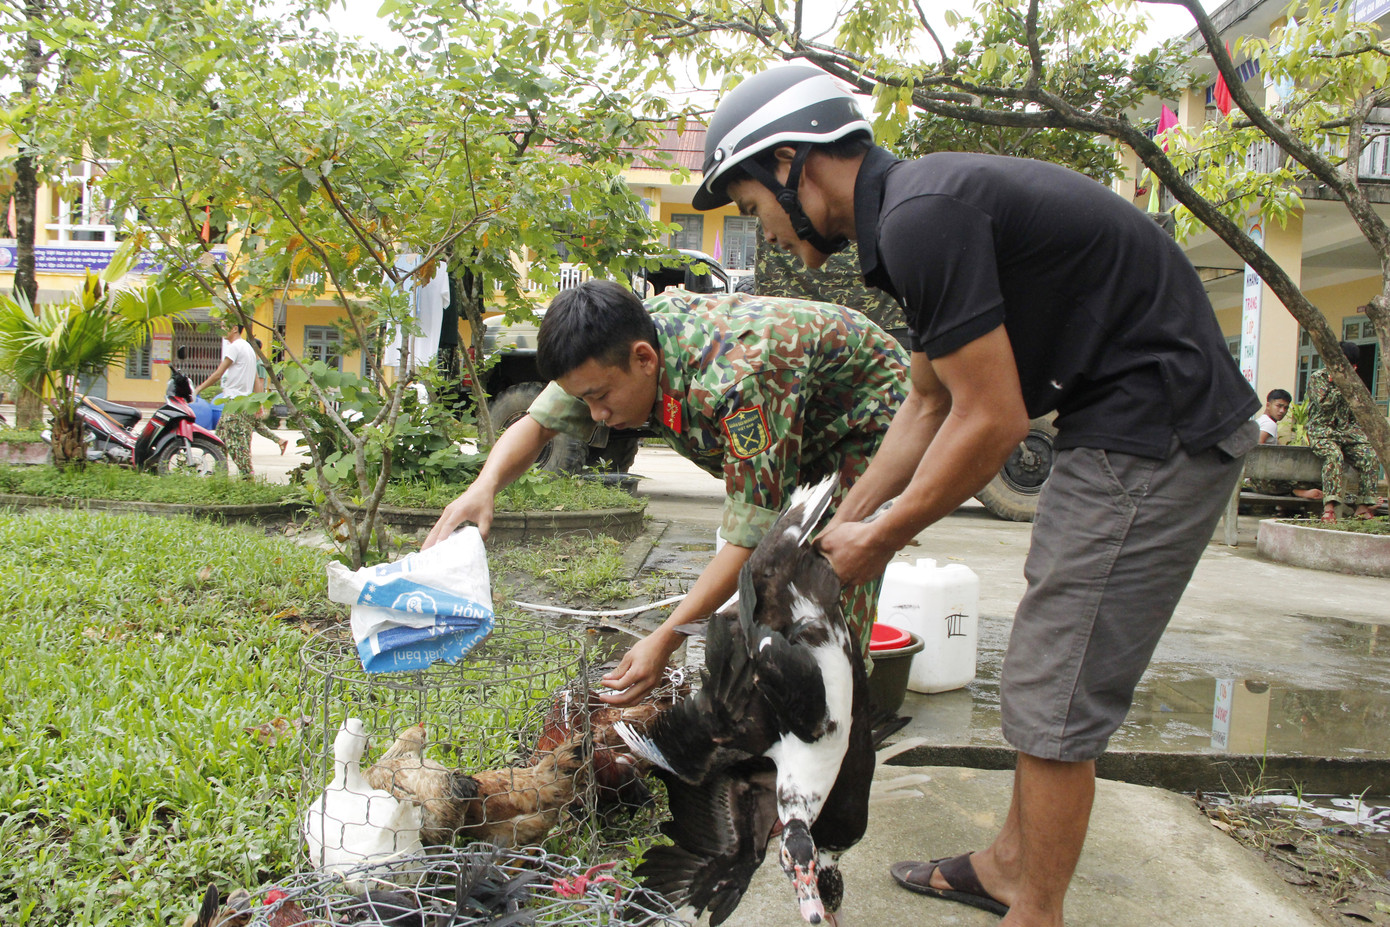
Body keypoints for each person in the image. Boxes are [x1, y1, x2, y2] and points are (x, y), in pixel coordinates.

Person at [691, 64, 1259, 926]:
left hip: (1159, 426)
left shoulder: (920, 219)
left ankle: (1037, 909)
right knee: (1046, 655)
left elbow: (991, 421)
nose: (761, 229)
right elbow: (926, 403)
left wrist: (881, 539)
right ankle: (1006, 867)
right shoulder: (911, 215)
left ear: (790, 163)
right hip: (1120, 417)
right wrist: (841, 524)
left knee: (1057, 683)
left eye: (750, 204)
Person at [423, 279, 909, 703]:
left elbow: (750, 539)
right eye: (584, 400)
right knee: (768, 598)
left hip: (868, 421)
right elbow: (538, 423)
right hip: (798, 418)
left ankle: (841, 716)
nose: (595, 415)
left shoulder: (737, 382)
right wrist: (483, 487)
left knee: (827, 586)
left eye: (600, 398)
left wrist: (664, 638)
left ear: (644, 359)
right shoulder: (612, 343)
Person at [1307, 341, 1380, 522]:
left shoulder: (1355, 383)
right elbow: (1324, 404)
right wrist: (1341, 385)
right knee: (1334, 455)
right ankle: (1329, 508)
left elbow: (1358, 412)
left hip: (1346, 432)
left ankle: (1363, 506)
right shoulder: (1319, 378)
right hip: (1322, 431)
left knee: (1370, 455)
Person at [195, 321, 257, 478]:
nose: (221, 330)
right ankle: (220, 476)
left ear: (235, 329)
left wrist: (198, 389)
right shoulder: (248, 347)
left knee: (237, 446)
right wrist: (258, 402)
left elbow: (218, 374)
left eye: (224, 326)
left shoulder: (235, 347)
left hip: (234, 403)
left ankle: (248, 478)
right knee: (219, 441)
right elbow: (256, 378)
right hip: (243, 402)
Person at [1248, 388, 1322, 501]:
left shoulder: (1260, 421)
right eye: (1279, 406)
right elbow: (1258, 446)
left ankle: (1291, 498)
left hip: (1257, 479)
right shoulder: (1269, 424)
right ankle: (1298, 492)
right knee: (1311, 481)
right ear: (1268, 405)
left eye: (1286, 408)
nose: (1282, 411)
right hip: (1264, 480)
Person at [250, 337, 289, 455]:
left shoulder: (259, 364)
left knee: (252, 424)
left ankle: (279, 440)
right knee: (256, 424)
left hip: (256, 397)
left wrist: (259, 402)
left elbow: (261, 383)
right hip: (252, 397)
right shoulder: (253, 363)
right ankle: (280, 441)